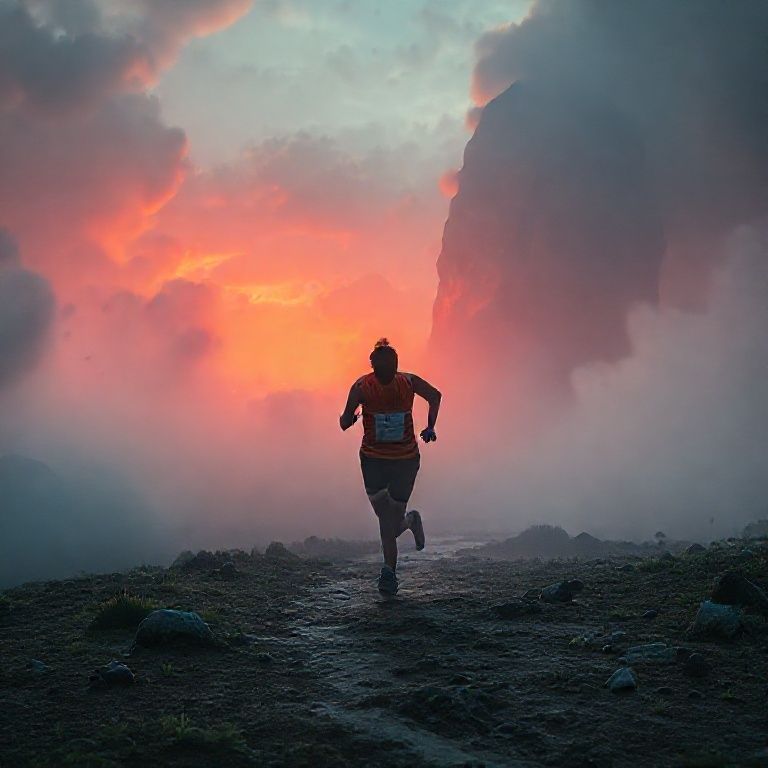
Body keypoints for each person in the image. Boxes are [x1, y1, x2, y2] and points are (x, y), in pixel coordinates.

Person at [339, 338, 442, 595]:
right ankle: (410, 522)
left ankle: (389, 574)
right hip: (378, 462)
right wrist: (430, 426)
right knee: (389, 522)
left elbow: (342, 422)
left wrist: (431, 427)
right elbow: (435, 396)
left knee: (386, 521)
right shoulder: (397, 383)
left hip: (401, 462)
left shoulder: (365, 386)